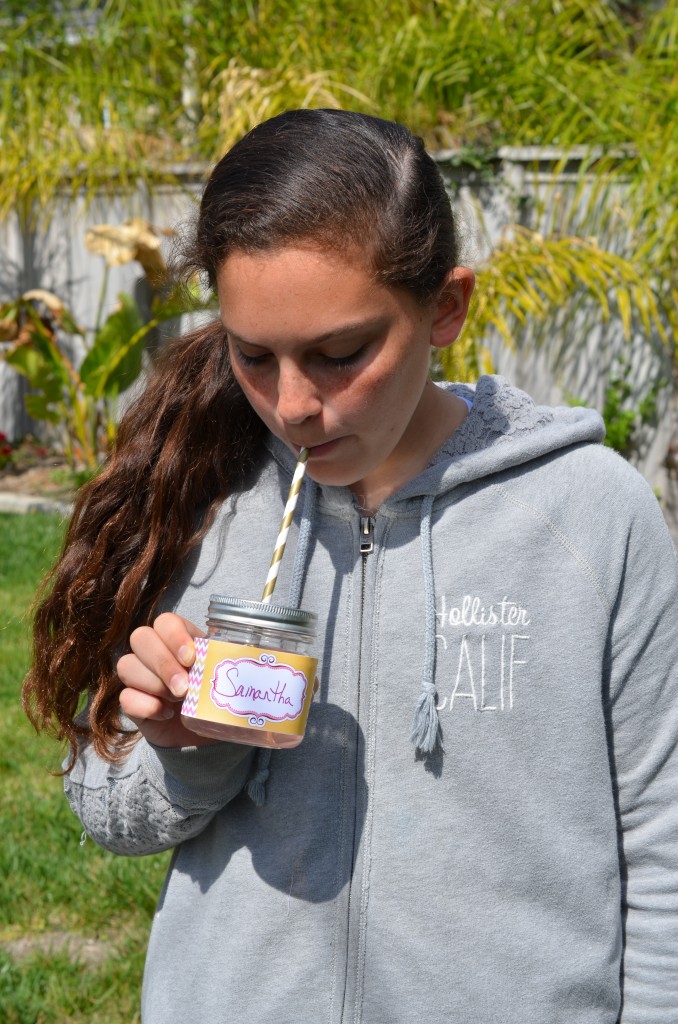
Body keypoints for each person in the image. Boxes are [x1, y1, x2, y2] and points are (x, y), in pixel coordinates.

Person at [23, 109, 677, 1024]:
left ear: (446, 307)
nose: (292, 406)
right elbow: (106, 812)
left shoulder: (590, 516)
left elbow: (663, 838)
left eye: (340, 355)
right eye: (253, 356)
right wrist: (185, 752)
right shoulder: (200, 493)